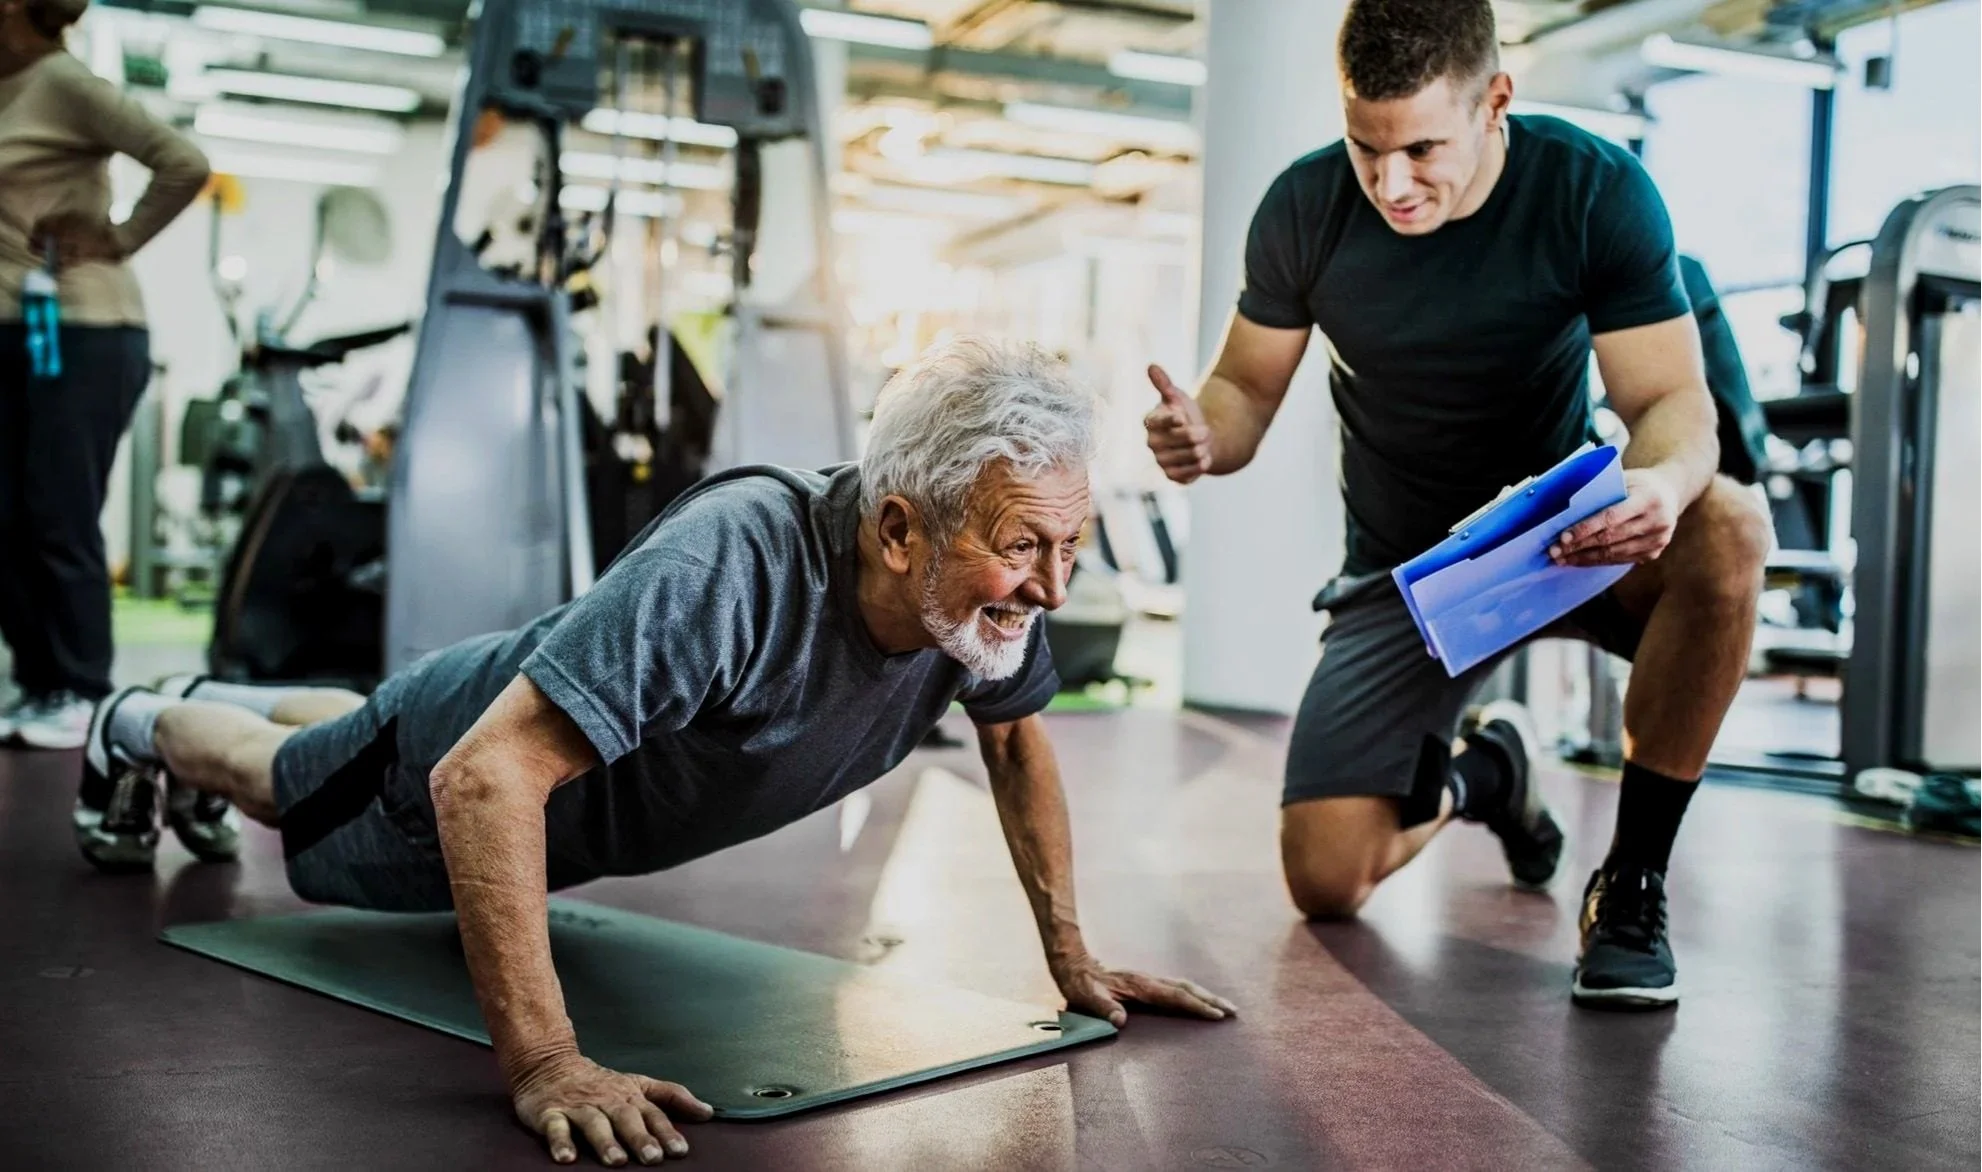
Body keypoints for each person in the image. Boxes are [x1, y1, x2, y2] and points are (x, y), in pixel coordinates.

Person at [83, 337, 1238, 1165]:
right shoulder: (737, 565)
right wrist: (545, 1064)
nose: (1049, 583)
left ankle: (217, 700)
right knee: (278, 787)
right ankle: (135, 719)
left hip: (487, 712)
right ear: (897, 529)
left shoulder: (974, 615)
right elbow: (483, 776)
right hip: (453, 748)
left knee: (350, 722)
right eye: (1023, 544)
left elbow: (1018, 744)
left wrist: (1071, 957)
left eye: (1070, 543)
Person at [1143, 0, 1769, 1009]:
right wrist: (1202, 435)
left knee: (1729, 523)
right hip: (1409, 569)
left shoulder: (1591, 189)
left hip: (1569, 536)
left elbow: (1669, 402)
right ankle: (1489, 772)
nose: (1391, 183)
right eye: (1365, 147)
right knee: (1326, 879)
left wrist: (1655, 482)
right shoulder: (1303, 208)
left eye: (1421, 148)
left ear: (1496, 103)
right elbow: (1244, 392)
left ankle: (1629, 883)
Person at [0, 0, 210, 748]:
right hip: (15, 331)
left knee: (58, 512)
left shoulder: (65, 83)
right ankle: (40, 684)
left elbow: (183, 163)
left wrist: (118, 238)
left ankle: (85, 692)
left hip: (84, 329)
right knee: (8, 520)